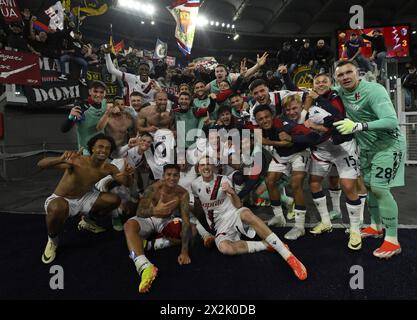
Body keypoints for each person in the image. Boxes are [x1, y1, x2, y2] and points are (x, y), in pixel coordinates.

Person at [191, 157, 307, 281]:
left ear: (214, 166)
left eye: (208, 164)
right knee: (225, 249)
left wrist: (232, 192)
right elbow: (200, 208)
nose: (206, 167)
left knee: (246, 213)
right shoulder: (195, 185)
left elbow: (238, 205)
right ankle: (265, 245)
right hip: (220, 226)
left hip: (232, 215)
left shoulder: (224, 180)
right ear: (198, 168)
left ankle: (288, 256)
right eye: (202, 165)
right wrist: (207, 230)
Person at [333, 60, 406, 259]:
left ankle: (392, 240)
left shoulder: (374, 90)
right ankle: (376, 226)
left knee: (381, 188)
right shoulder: (338, 92)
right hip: (366, 149)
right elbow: (318, 90)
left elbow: (391, 120)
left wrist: (358, 126)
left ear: (358, 73)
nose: (345, 77)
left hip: (388, 145)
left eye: (349, 72)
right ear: (336, 79)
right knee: (369, 186)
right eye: (340, 75)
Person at [38, 134, 135, 264]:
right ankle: (52, 239)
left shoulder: (108, 168)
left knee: (114, 200)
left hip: (83, 198)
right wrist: (60, 158)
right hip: (61, 199)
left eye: (107, 148)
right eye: (100, 146)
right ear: (92, 148)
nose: (104, 150)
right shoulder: (77, 160)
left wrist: (128, 175)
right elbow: (41, 164)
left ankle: (87, 221)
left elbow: (126, 182)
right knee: (58, 208)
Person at [123, 164, 192, 293]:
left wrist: (184, 251)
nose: (172, 178)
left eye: (175, 175)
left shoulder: (183, 193)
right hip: (148, 218)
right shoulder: (153, 188)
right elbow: (139, 212)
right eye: (169, 174)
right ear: (163, 176)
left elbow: (186, 221)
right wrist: (155, 211)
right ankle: (144, 266)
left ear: (179, 176)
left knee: (191, 231)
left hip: (165, 220)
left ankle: (149, 245)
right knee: (128, 226)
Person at [61, 81, 110, 155]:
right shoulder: (82, 106)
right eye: (95, 91)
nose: (98, 95)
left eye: (101, 92)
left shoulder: (105, 103)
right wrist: (70, 117)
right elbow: (64, 129)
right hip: (86, 151)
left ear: (105, 93)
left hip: (101, 150)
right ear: (90, 91)